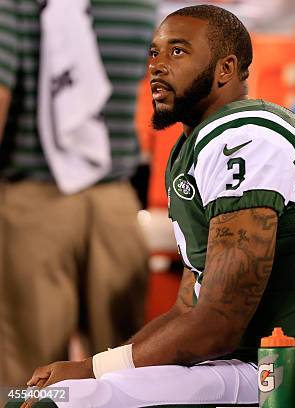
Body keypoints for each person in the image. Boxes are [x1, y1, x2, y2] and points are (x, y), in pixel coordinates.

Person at [23, 4, 295, 407]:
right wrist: (103, 364)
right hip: (237, 361)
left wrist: (93, 369)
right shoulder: (196, 145)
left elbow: (217, 324)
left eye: (177, 52)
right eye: (154, 53)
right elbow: (189, 307)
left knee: (62, 400)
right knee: (32, 394)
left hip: (285, 369)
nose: (157, 66)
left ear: (225, 68)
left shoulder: (248, 138)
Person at [0, 0, 156, 389]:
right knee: (124, 365)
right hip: (117, 200)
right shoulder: (140, 8)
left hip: (35, 203)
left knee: (29, 372)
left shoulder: (15, 7)